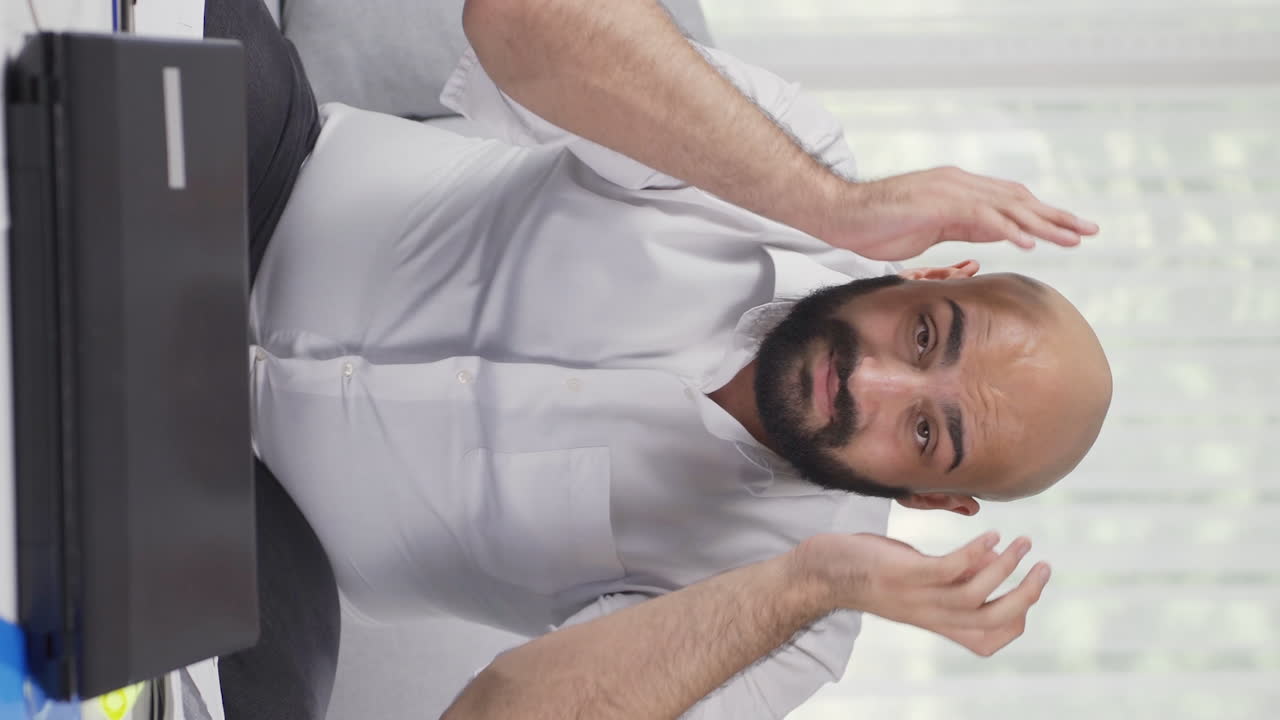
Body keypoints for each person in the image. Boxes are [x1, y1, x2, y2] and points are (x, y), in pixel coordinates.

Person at [209, 0, 1113, 717]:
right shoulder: (800, 171)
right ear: (936, 271)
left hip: (256, 528)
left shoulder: (798, 617)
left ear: (928, 500)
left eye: (923, 430)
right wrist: (832, 205)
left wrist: (815, 580)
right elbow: (514, 16)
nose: (870, 380)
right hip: (264, 184)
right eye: (924, 335)